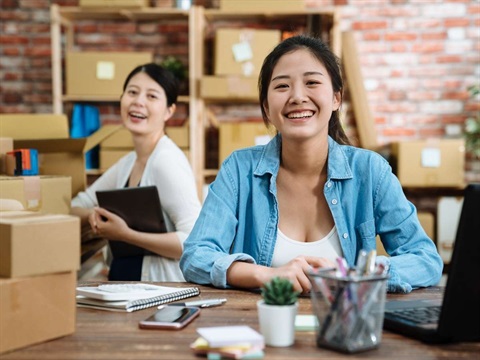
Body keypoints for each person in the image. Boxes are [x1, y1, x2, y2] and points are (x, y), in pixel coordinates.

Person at [180, 35, 443, 294]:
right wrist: (263, 274)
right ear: (267, 107)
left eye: (312, 82)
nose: (297, 96)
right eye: (282, 86)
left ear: (336, 98)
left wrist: (354, 275)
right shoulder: (239, 169)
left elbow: (425, 259)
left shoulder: (371, 171)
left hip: (345, 325)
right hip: (261, 324)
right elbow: (196, 255)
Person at [71, 63, 201, 282]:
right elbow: (76, 205)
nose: (138, 101)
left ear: (169, 111)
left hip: (160, 293)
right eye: (132, 92)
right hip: (124, 288)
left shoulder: (165, 161)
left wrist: (125, 235)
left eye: (151, 96)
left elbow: (194, 243)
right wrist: (92, 215)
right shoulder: (129, 162)